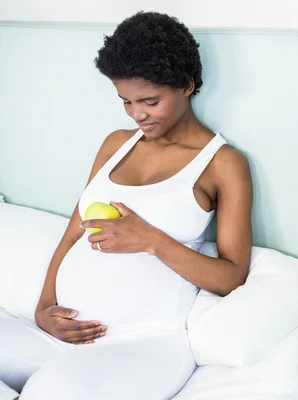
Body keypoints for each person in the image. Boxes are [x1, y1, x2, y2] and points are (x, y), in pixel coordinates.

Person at [0, 11, 253, 400]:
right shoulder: (116, 144)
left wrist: (152, 240)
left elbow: (232, 277)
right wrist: (43, 307)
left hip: (141, 344)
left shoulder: (222, 164)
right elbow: (73, 234)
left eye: (150, 101)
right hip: (57, 337)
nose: (138, 115)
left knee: (54, 392)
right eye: (126, 102)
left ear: (187, 85)